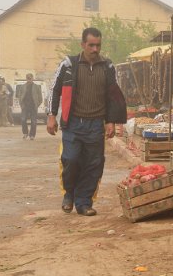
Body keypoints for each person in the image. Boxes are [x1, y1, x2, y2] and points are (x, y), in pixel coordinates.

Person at [47, 27, 127, 216]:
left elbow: (113, 96)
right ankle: (69, 195)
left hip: (95, 125)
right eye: (91, 45)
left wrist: (111, 121)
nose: (94, 49)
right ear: (82, 44)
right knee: (71, 159)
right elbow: (54, 90)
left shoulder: (107, 67)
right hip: (73, 124)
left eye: (98, 45)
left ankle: (84, 203)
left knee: (94, 164)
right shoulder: (68, 65)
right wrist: (51, 115)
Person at [17, 73, 43, 140]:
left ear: (32, 78)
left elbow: (40, 98)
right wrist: (21, 104)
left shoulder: (36, 87)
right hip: (25, 106)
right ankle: (25, 133)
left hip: (33, 107)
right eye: (28, 78)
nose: (29, 79)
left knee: (34, 122)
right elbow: (20, 96)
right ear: (26, 78)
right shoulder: (22, 87)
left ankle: (32, 135)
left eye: (30, 78)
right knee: (23, 120)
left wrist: (37, 105)